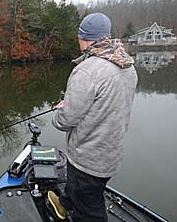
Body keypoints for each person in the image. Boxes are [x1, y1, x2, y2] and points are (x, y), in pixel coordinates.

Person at [48, 13, 138, 222]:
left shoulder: (86, 70)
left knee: (90, 211)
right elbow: (105, 104)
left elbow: (66, 120)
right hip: (111, 154)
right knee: (83, 190)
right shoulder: (127, 65)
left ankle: (76, 208)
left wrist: (59, 112)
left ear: (84, 38)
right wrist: (71, 104)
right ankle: (65, 204)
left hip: (88, 158)